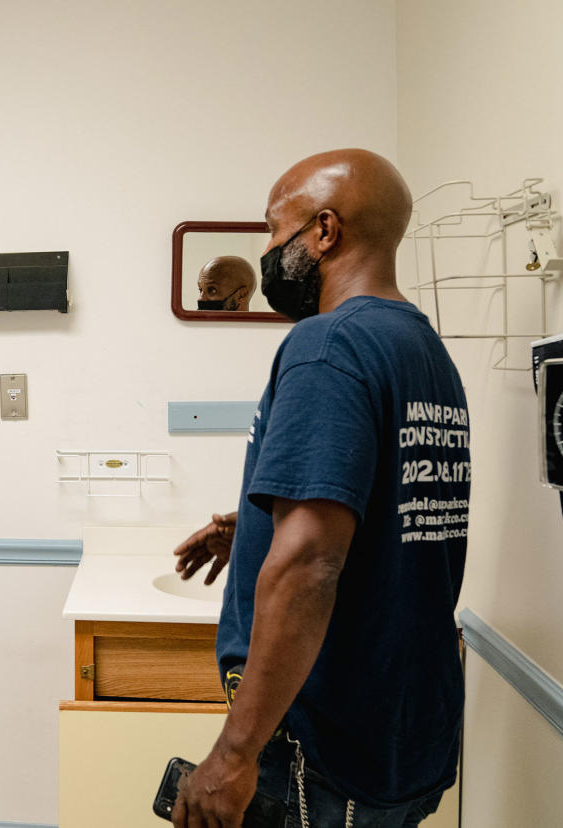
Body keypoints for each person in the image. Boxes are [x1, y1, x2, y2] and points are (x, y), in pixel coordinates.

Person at [171, 149, 470, 827]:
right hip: (405, 737)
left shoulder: (326, 346)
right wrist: (250, 527)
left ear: (325, 232)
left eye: (276, 233)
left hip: (326, 755)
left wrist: (234, 755)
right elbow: (387, 509)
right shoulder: (421, 350)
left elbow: (311, 563)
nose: (270, 253)